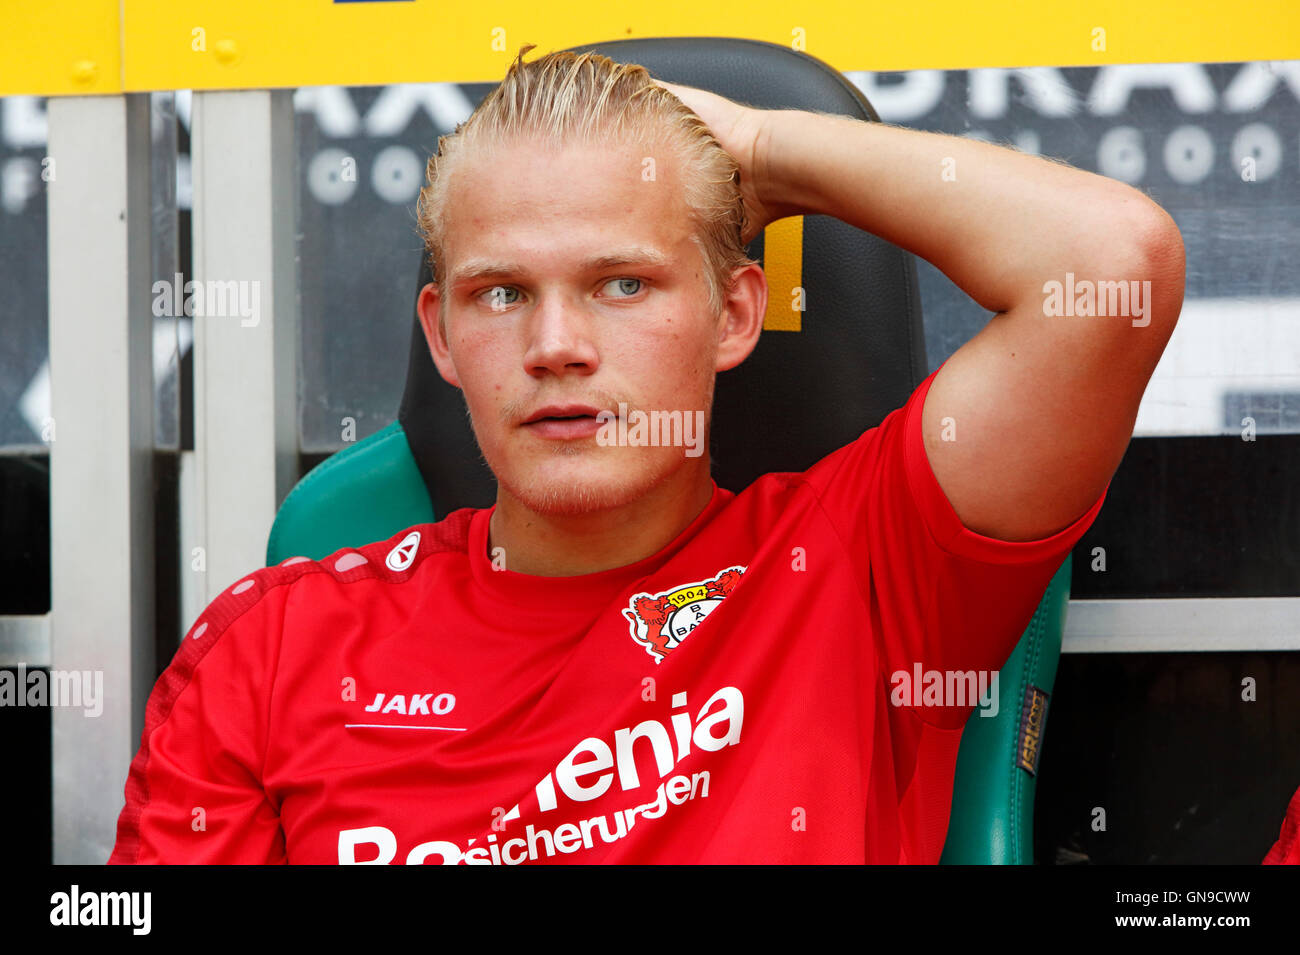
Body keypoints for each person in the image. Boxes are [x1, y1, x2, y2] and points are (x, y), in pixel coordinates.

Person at [108, 44, 1184, 864]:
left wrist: (762, 149)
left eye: (623, 283)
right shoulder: (273, 643)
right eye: (501, 293)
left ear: (733, 314)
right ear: (441, 336)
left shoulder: (858, 559)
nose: (558, 347)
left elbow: (1109, 264)